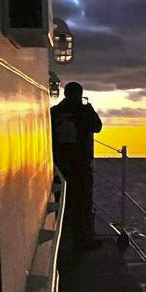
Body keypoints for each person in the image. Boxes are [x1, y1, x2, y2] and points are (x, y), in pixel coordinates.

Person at [51, 82, 103, 253]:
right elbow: (97, 127)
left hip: (60, 166)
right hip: (80, 165)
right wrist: (89, 109)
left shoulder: (55, 112)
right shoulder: (85, 111)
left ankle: (61, 240)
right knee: (82, 204)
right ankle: (82, 241)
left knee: (62, 204)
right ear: (79, 94)